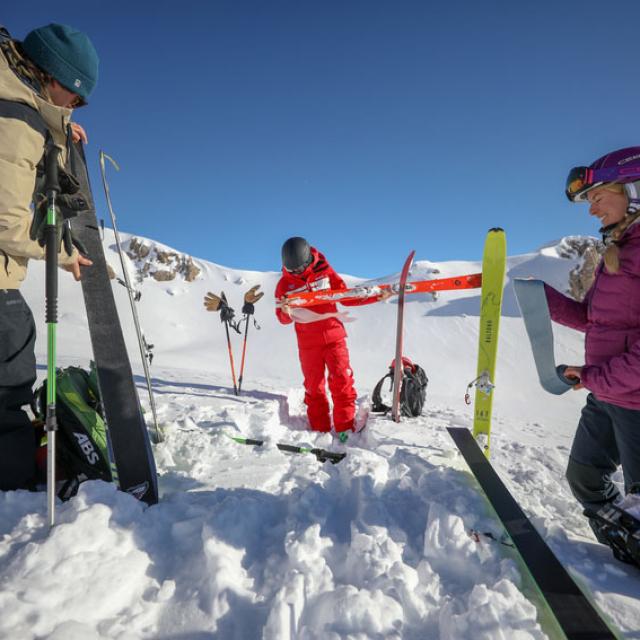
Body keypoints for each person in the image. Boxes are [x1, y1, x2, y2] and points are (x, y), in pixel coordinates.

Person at [0, 23, 98, 491]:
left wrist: (55, 128)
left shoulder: (18, 105)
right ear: (51, 77)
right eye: (73, 98)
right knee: (9, 370)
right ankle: (14, 486)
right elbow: (7, 222)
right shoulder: (15, 121)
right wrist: (63, 254)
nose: (73, 106)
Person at [546, 146, 640, 555]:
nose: (592, 210)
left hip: (634, 400)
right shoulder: (620, 249)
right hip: (608, 396)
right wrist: (540, 298)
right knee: (585, 476)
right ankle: (627, 547)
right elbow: (597, 321)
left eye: (598, 196)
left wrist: (589, 377)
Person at [275, 237, 385, 437]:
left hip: (334, 339)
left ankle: (344, 429)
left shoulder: (325, 273)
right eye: (293, 270)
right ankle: (320, 431)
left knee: (341, 382)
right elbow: (282, 319)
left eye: (301, 268)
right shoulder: (284, 285)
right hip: (308, 345)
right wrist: (285, 311)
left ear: (309, 259)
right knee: (314, 388)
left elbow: (346, 297)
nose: (298, 273)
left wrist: (376, 296)